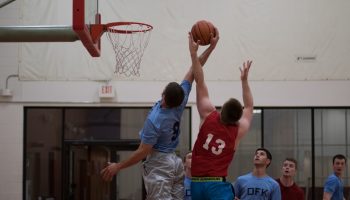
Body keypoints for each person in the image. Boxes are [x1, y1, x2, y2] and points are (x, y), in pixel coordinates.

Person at [100, 32, 219, 200]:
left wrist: (118, 166)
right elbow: (195, 68)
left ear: (163, 94)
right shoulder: (181, 99)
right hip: (176, 163)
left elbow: (143, 151)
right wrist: (211, 48)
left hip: (160, 164)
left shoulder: (155, 120)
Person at [189, 28, 254, 200]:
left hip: (196, 184)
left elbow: (199, 79)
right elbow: (249, 106)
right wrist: (244, 81)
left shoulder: (207, 113)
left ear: (221, 108)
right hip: (217, 186)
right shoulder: (238, 131)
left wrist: (194, 54)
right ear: (237, 118)